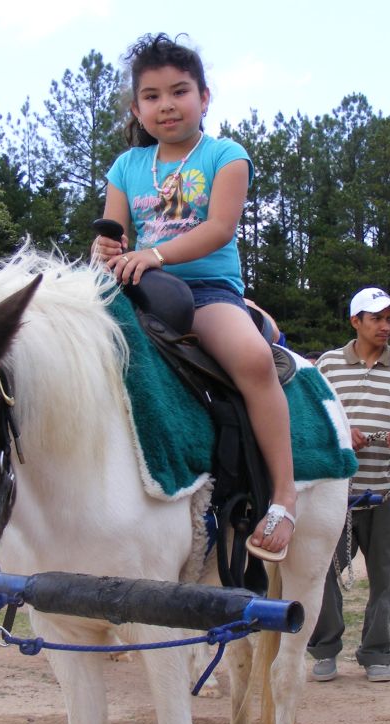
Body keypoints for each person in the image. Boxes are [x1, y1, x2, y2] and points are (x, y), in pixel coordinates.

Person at [92, 33, 296, 561]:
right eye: (152, 96)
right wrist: (107, 249)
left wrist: (156, 255)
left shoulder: (226, 155)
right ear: (137, 108)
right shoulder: (126, 166)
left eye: (179, 91)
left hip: (206, 290)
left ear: (205, 97)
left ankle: (284, 495)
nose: (166, 105)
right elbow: (116, 236)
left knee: (252, 360)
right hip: (138, 287)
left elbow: (221, 228)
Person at [308, 287, 390, 682]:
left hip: (387, 492)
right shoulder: (326, 365)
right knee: (324, 572)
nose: (386, 326)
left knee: (385, 576)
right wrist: (343, 432)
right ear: (355, 321)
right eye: (377, 318)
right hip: (336, 491)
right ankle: (324, 650)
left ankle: (377, 654)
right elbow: (313, 419)